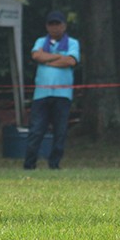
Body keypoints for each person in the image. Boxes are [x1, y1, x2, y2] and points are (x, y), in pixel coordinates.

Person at [24, 10, 80, 170]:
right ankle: (29, 164)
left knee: (60, 131)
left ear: (64, 26)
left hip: (63, 95)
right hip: (41, 94)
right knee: (36, 130)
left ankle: (54, 164)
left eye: (57, 24)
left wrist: (47, 60)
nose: (54, 27)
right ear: (47, 26)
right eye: (51, 24)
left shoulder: (72, 43)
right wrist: (59, 57)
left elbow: (71, 61)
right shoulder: (41, 41)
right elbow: (36, 56)